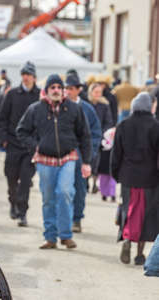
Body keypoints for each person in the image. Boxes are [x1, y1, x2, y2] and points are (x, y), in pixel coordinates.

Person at [17, 74, 92, 249]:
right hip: (44, 159)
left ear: (63, 90)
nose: (56, 90)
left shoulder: (73, 108)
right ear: (47, 90)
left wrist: (87, 161)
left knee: (65, 193)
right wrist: (36, 146)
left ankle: (66, 235)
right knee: (48, 198)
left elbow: (85, 135)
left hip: (68, 157)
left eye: (59, 87)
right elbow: (22, 131)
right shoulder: (35, 109)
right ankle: (50, 237)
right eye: (53, 87)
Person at [111, 92, 159, 265]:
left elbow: (116, 154)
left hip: (128, 177)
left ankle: (126, 240)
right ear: (149, 106)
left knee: (129, 211)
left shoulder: (123, 125)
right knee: (146, 215)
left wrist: (116, 174)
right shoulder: (155, 126)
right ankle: (139, 254)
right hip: (150, 179)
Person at [0, 62, 40, 226]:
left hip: (31, 146)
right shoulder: (12, 94)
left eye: (29, 74)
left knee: (26, 179)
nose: (26, 77)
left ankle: (22, 212)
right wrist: (3, 139)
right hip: (13, 143)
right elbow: (1, 118)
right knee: (11, 177)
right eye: (24, 74)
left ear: (34, 77)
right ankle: (13, 202)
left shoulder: (39, 95)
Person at [65, 75, 102, 233]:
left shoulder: (87, 109)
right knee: (63, 190)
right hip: (63, 155)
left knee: (79, 188)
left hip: (80, 156)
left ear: (78, 90)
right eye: (65, 88)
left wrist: (89, 153)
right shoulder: (60, 107)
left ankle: (77, 219)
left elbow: (95, 133)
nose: (67, 91)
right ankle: (64, 219)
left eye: (70, 89)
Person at [87, 83, 113, 197]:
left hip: (98, 137)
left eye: (99, 92)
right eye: (96, 92)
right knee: (86, 159)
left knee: (96, 161)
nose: (98, 94)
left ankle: (94, 182)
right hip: (86, 136)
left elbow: (108, 121)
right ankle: (86, 181)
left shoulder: (104, 105)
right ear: (91, 92)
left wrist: (103, 134)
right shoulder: (86, 105)